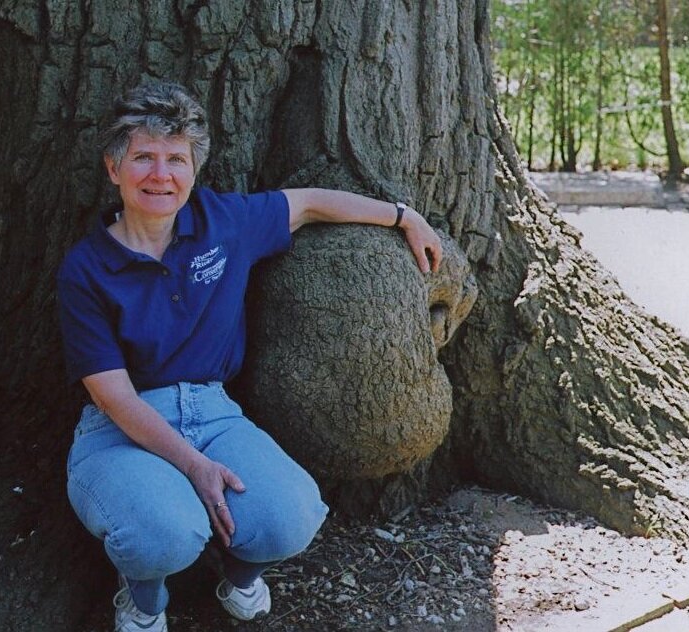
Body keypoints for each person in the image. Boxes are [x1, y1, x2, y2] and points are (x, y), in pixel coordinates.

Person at [58, 82, 443, 632]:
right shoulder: (86, 268)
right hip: (121, 425)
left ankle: (237, 576)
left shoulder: (224, 222)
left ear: (193, 170)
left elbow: (309, 203)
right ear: (114, 168)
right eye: (143, 157)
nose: (160, 174)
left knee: (293, 516)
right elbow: (113, 397)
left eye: (176, 159)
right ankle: (142, 601)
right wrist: (193, 466)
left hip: (214, 414)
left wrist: (404, 216)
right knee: (165, 532)